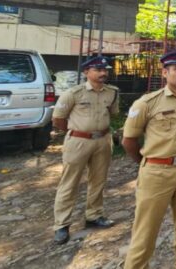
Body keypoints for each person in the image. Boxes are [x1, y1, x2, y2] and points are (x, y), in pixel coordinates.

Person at [122, 50, 176, 268]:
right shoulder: (147, 103)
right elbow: (129, 140)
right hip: (157, 171)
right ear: (165, 72)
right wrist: (145, 163)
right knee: (146, 231)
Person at [51, 56, 118, 245]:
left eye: (105, 70)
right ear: (86, 72)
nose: (103, 73)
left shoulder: (112, 93)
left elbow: (112, 113)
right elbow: (58, 119)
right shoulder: (73, 93)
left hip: (103, 140)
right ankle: (61, 225)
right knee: (69, 182)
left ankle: (94, 215)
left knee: (98, 180)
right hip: (78, 142)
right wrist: (77, 131)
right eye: (98, 70)